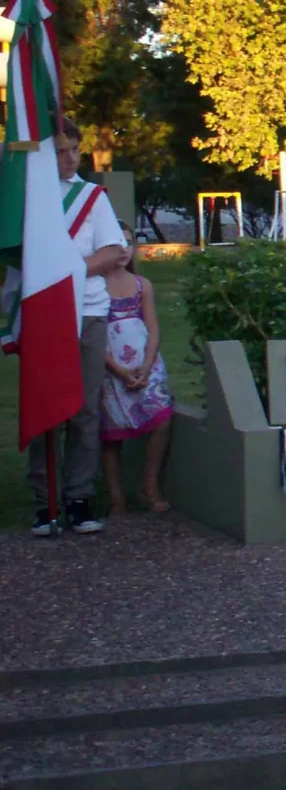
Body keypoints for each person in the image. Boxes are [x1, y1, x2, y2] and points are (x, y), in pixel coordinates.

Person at [29, 118, 127, 536]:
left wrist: (62, 273)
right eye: (60, 151)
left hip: (87, 312)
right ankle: (43, 500)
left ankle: (79, 497)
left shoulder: (92, 198)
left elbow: (112, 253)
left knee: (84, 408)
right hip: (42, 315)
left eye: (74, 150)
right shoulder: (28, 200)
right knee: (44, 409)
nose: (70, 158)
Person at [100, 221, 174, 513]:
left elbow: (153, 327)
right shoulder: (92, 287)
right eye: (116, 244)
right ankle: (116, 499)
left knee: (162, 419)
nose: (122, 250)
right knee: (111, 435)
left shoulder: (142, 285)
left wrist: (147, 363)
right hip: (110, 368)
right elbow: (89, 335)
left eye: (128, 243)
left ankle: (149, 486)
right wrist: (117, 369)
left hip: (145, 365)